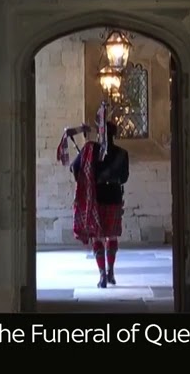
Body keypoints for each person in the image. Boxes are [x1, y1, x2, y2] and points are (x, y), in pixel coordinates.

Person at [69, 120, 131, 288]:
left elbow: (74, 168)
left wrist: (84, 182)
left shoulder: (90, 150)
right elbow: (124, 178)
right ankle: (111, 272)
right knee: (111, 235)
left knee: (97, 235)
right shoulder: (122, 153)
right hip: (114, 197)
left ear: (100, 134)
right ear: (114, 134)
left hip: (95, 197)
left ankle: (102, 275)